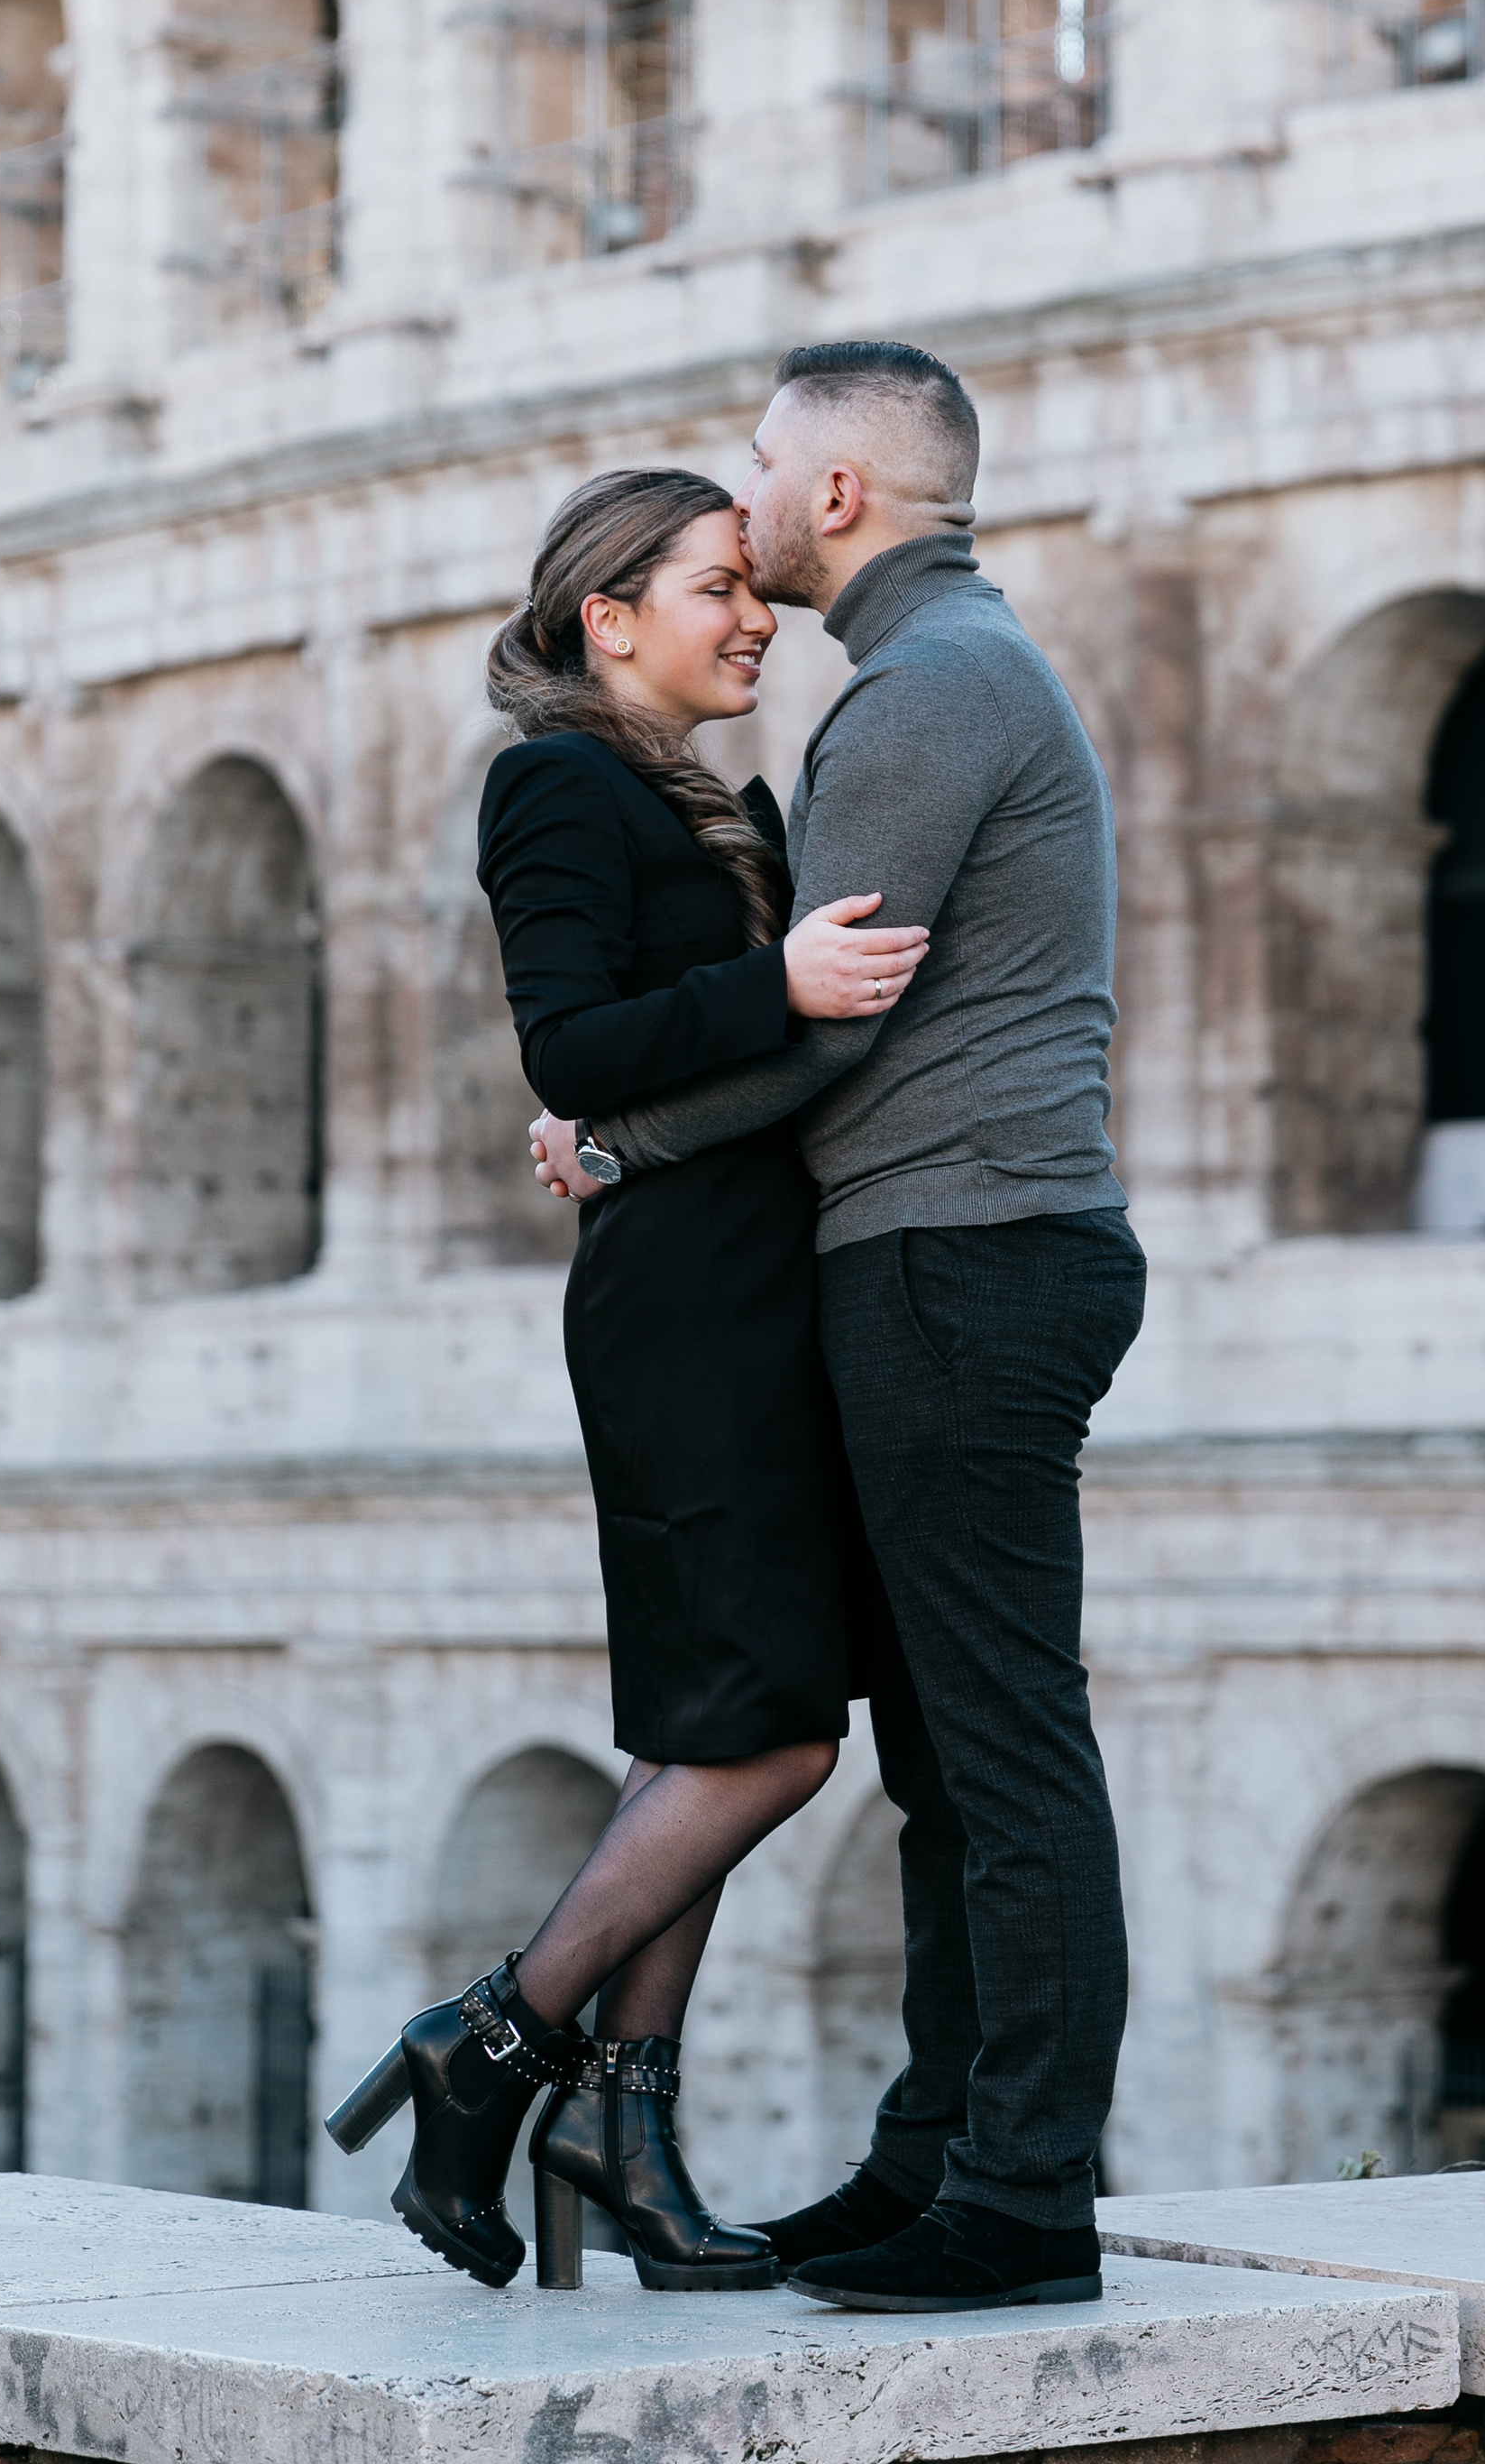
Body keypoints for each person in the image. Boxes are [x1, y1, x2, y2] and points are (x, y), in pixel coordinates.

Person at [530, 342, 1145, 2316]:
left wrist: (614, 1134)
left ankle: (1022, 2195)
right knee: (952, 1759)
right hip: (959, 1253)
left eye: (766, 475)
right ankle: (930, 2166)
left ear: (841, 497)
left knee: (1001, 1749)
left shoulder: (917, 699)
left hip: (957, 1258)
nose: (752, 503)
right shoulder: (953, 678)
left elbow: (829, 1022)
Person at [325, 467, 929, 2294]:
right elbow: (567, 1035)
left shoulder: (707, 792)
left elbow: (619, 1091)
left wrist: (657, 1101)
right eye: (714, 588)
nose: (757, 618)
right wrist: (786, 989)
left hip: (751, 1284)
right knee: (774, 1732)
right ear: (607, 615)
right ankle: (499, 2037)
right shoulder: (558, 780)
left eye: (756, 590)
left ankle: (617, 2127)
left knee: (711, 1721)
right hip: (688, 1310)